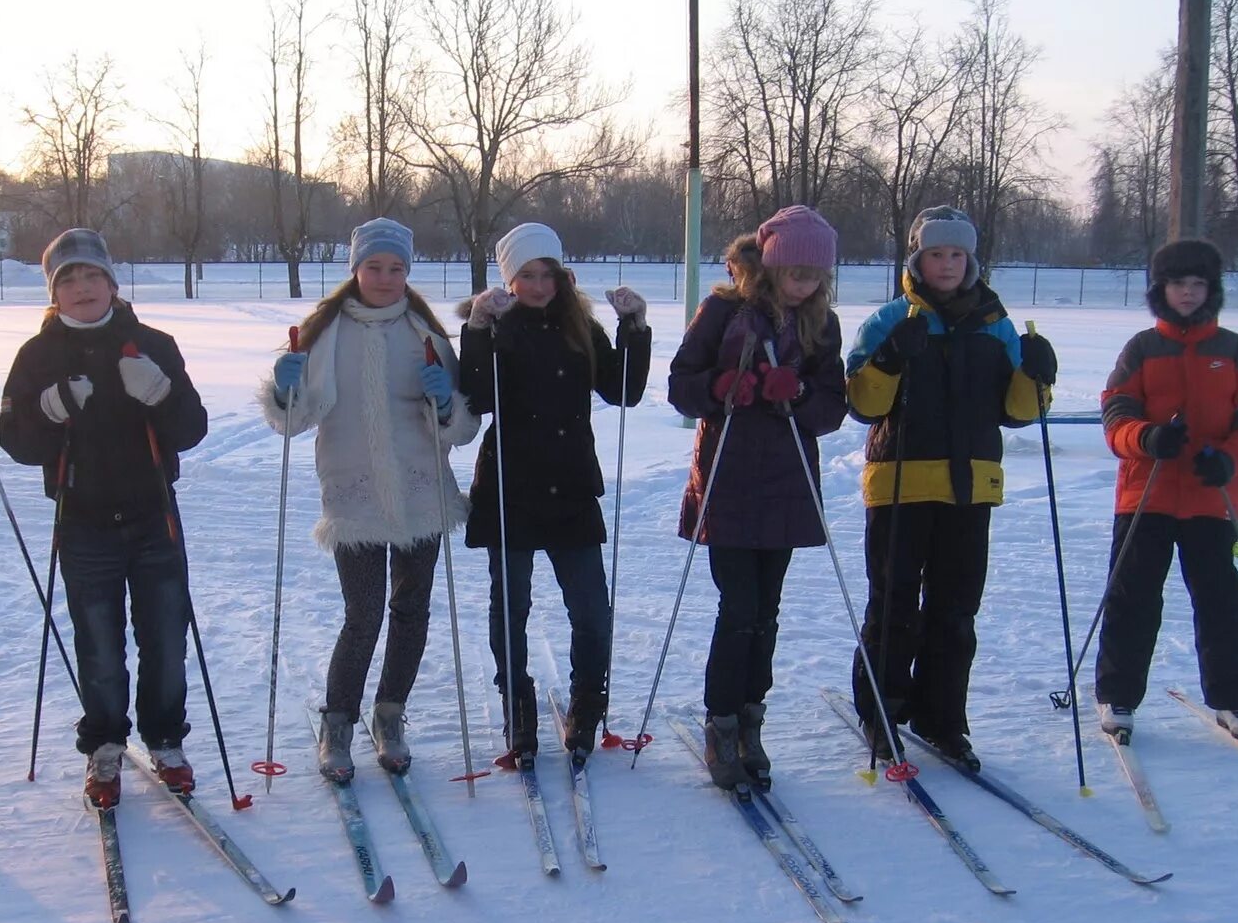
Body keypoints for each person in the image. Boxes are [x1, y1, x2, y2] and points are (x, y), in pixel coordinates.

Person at [262, 217, 478, 781]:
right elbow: (295, 419)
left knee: (411, 609)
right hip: (353, 493)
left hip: (421, 492)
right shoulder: (325, 331)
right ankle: (338, 723)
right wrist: (285, 390)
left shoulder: (427, 334)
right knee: (362, 614)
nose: (385, 277)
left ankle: (390, 714)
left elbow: (459, 428)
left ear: (409, 272)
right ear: (355, 269)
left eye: (397, 268)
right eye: (375, 267)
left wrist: (448, 404)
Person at [0, 229, 208, 809]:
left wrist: (161, 394)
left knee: (166, 638)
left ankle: (166, 740)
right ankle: (106, 744)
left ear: (112, 283)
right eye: (67, 279)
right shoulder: (37, 356)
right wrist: (49, 409)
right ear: (54, 292)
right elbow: (14, 440)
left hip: (152, 517)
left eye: (91, 275)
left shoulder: (153, 343)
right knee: (98, 643)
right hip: (83, 520)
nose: (82, 287)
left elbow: (191, 428)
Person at [844, 205, 1056, 770]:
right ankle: (881, 709)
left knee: (956, 610)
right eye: (936, 254)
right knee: (893, 605)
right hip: (900, 486)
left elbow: (1018, 411)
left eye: (956, 254)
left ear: (971, 260)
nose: (946, 264)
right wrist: (889, 359)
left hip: (970, 488)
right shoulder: (890, 319)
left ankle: (943, 717)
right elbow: (864, 404)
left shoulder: (995, 325)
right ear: (918, 259)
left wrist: (1037, 375)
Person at [667, 207, 847, 790]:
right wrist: (723, 389)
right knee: (738, 608)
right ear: (768, 266)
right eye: (794, 273)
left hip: (788, 481)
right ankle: (721, 722)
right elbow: (681, 385)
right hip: (728, 478)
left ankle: (751, 719)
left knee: (766, 612)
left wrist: (795, 392)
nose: (804, 285)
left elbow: (831, 405)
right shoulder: (725, 311)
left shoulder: (822, 323)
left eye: (814, 276)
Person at [457, 222, 650, 758]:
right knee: (510, 605)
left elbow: (624, 389)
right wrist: (475, 328)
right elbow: (474, 396)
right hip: (509, 485)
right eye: (526, 275)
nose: (539, 285)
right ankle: (518, 704)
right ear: (509, 279)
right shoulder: (498, 328)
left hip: (569, 486)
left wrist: (633, 325)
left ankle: (588, 699)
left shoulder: (580, 327)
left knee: (591, 608)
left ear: (562, 276)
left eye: (548, 274)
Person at [1094, 238, 1238, 743]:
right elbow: (1116, 416)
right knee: (1132, 599)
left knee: (1222, 602)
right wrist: (1148, 437)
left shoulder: (1234, 350)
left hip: (1211, 498)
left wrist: (1231, 459)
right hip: (1145, 495)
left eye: (1198, 285)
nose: (1188, 294)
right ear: (1161, 289)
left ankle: (1234, 700)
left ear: (1211, 290)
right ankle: (1118, 694)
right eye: (1178, 284)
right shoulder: (1142, 349)